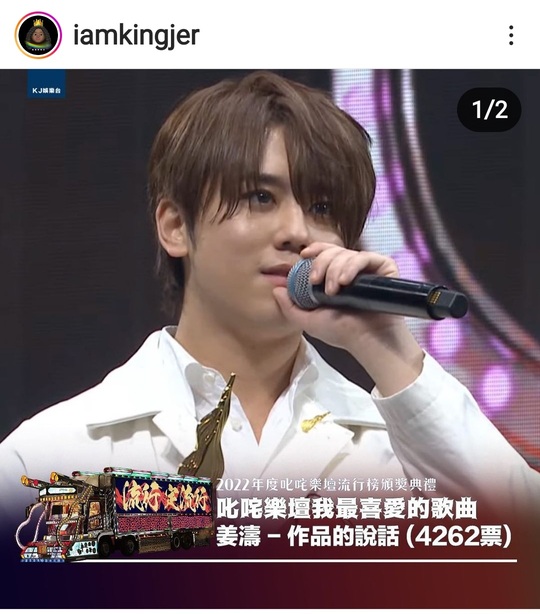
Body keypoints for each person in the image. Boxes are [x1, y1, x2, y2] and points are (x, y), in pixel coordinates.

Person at [1, 71, 538, 532]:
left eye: (322, 207)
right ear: (175, 226)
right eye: (261, 197)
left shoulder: (402, 448)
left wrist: (388, 352)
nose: (296, 231)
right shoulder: (51, 454)